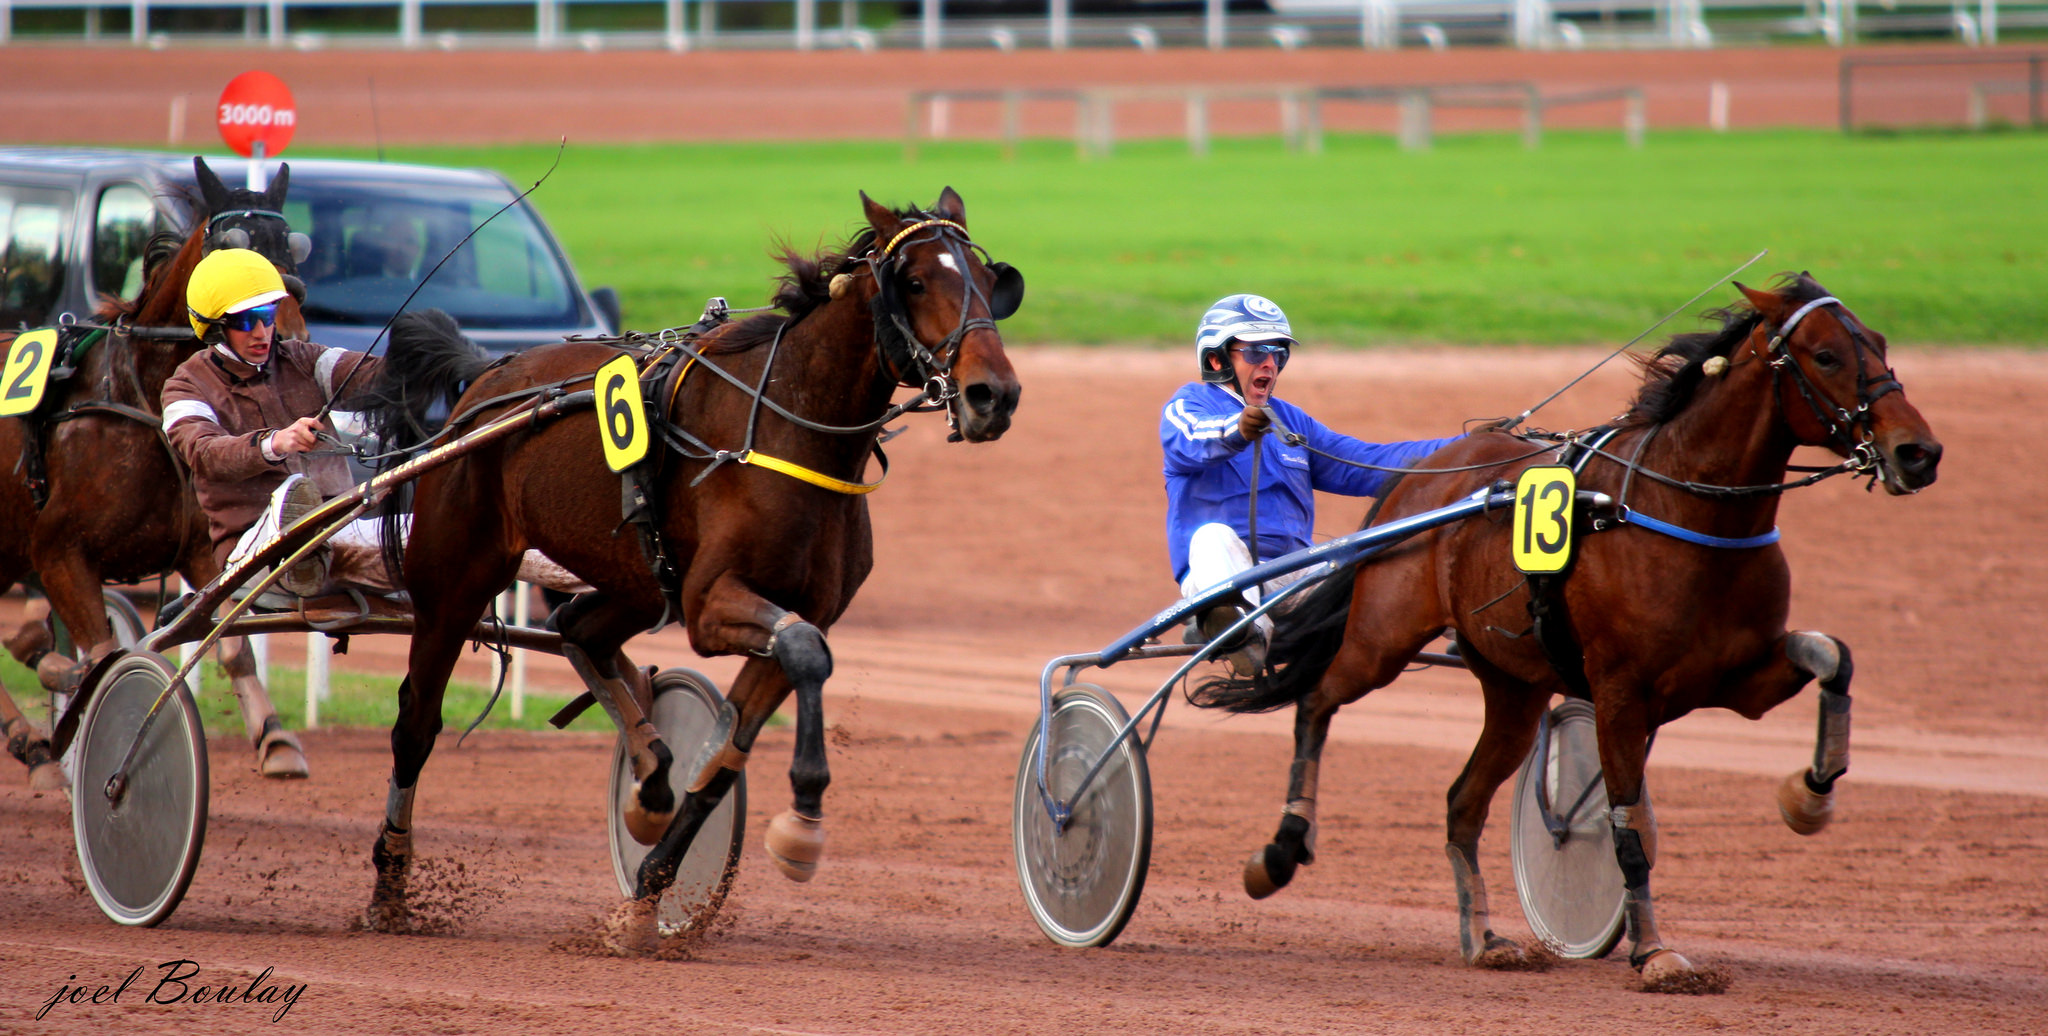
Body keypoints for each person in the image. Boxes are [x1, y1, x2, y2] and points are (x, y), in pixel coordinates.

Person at [1161, 293, 1463, 675]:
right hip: (1221, 572)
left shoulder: (1292, 421)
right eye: (1256, 352)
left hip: (1294, 578)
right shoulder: (1190, 404)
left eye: (1279, 353)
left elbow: (1367, 462)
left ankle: (1466, 626)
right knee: (1211, 537)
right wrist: (1236, 429)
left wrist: (1463, 449)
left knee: (1376, 555)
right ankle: (1234, 628)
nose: (1270, 362)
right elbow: (1191, 438)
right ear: (1217, 359)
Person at [162, 247, 381, 596]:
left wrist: (423, 362)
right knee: (295, 522)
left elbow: (366, 373)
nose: (262, 332)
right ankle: (301, 550)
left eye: (268, 315)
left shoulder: (306, 360)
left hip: (341, 531)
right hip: (252, 550)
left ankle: (321, 552)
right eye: (247, 321)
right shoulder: (186, 385)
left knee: (423, 531)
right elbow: (204, 453)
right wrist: (276, 443)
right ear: (217, 327)